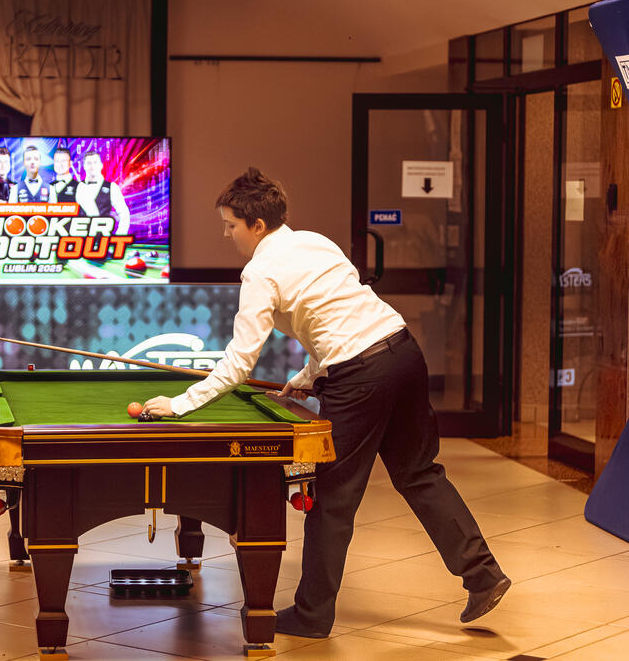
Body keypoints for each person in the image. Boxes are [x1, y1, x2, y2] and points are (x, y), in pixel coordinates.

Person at [143, 167, 510, 638]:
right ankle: (483, 575)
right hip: (403, 351)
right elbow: (340, 317)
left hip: (361, 375)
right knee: (421, 474)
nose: (227, 233)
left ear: (257, 225)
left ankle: (312, 616)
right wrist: (306, 377)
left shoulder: (259, 272)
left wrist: (180, 404)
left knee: (331, 498)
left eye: (231, 225)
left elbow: (239, 361)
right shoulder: (315, 241)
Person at [75, 150, 130, 234]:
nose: (92, 166)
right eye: (89, 163)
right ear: (84, 166)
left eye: (95, 162)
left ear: (101, 165)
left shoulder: (112, 187)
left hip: (103, 239)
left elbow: (124, 214)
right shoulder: (77, 187)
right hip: (80, 238)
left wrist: (120, 235)